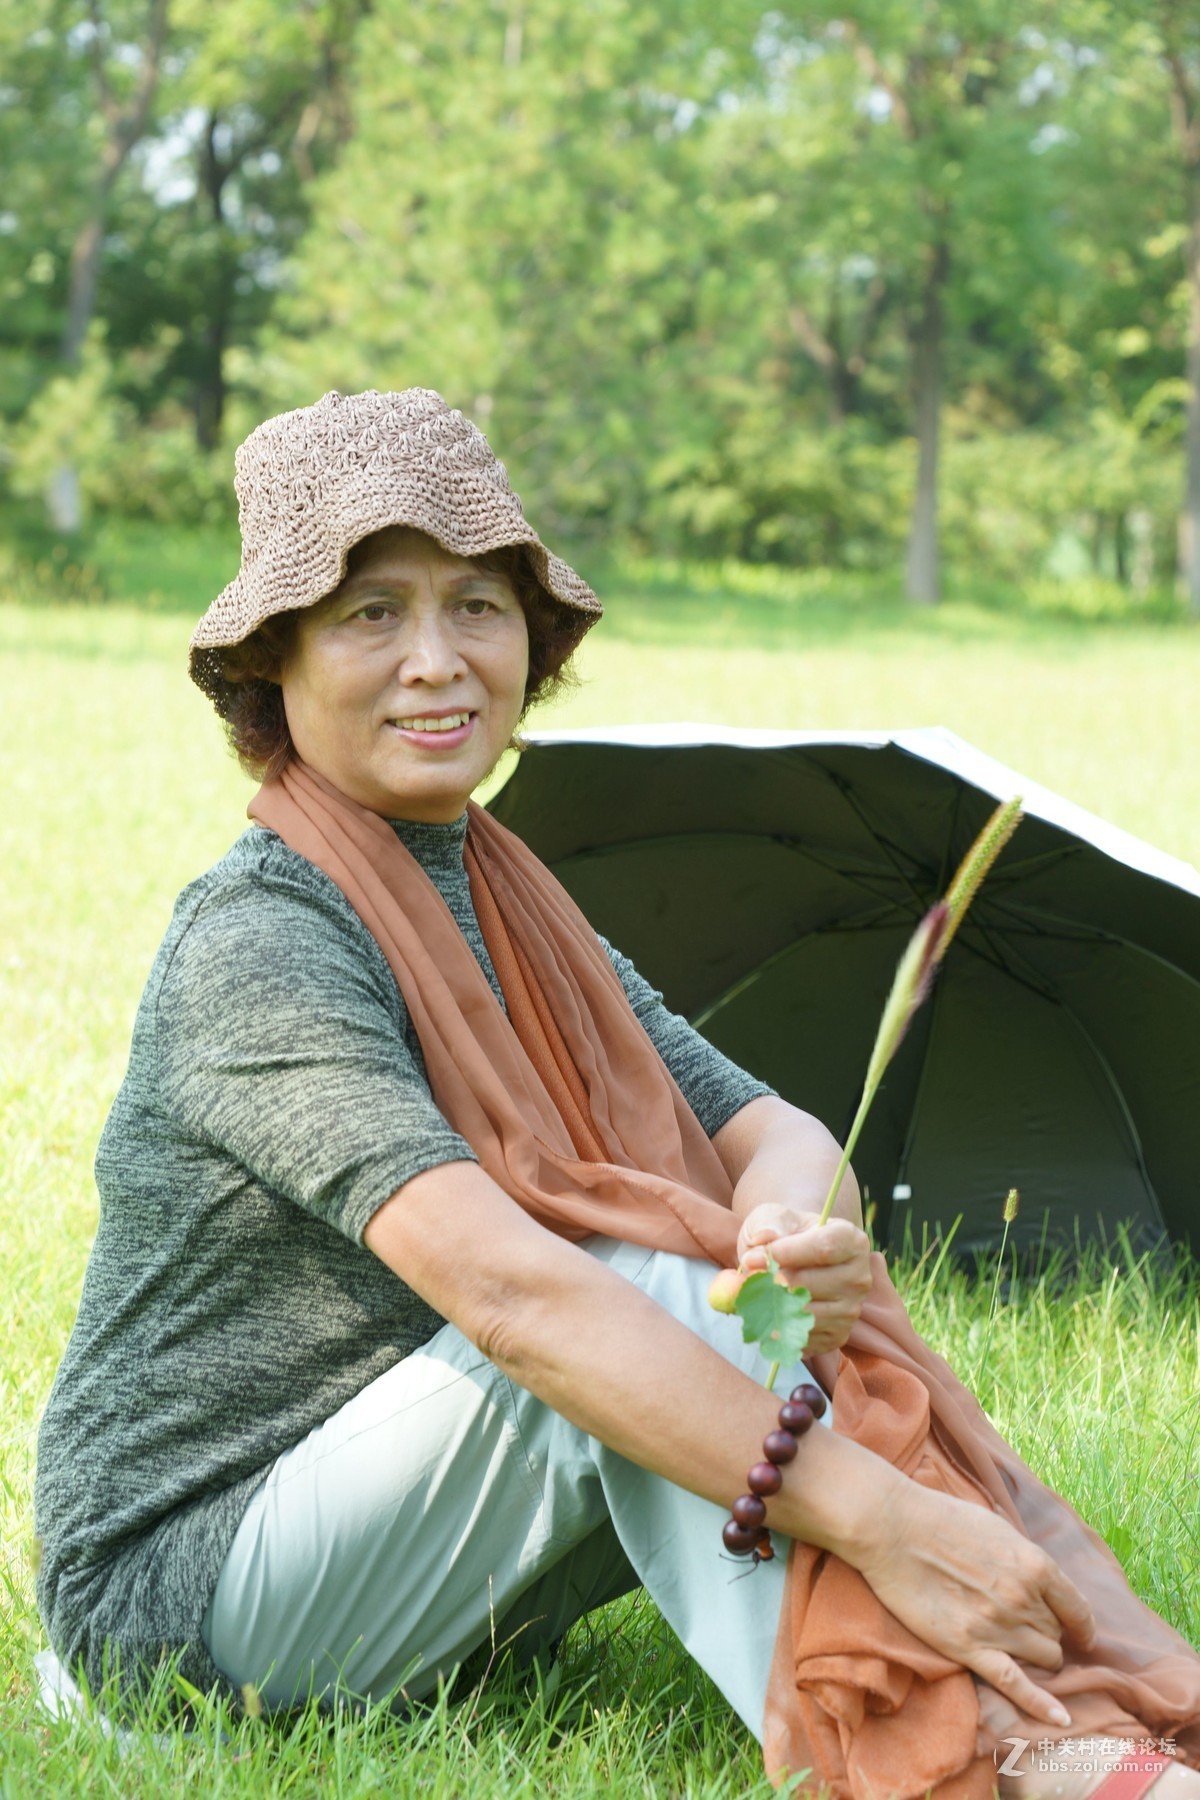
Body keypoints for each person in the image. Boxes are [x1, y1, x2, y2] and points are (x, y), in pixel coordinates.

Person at [34, 388, 1200, 1800]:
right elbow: (518, 1298)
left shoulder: (510, 900)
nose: (436, 660)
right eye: (369, 615)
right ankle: (993, 1750)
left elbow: (776, 1129)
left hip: (401, 1562)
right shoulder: (260, 944)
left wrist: (777, 1227)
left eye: (477, 604)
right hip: (190, 1597)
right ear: (273, 661)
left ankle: (1039, 1691)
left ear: (535, 635)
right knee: (641, 1287)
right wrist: (885, 1516)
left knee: (717, 1287)